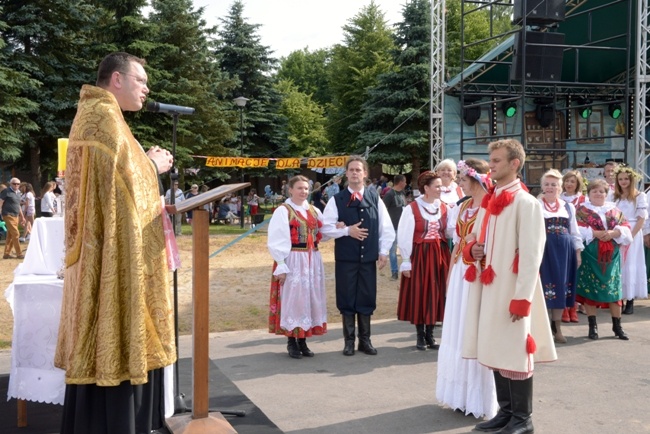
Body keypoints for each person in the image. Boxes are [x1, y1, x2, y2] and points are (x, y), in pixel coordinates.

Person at [54, 51, 175, 434]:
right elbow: (124, 187)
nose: (147, 88)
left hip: (97, 251)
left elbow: (115, 181)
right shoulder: (104, 118)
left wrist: (143, 164)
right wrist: (152, 166)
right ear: (117, 80)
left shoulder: (99, 114)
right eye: (140, 80)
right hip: (108, 257)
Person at [462, 139, 557, 434]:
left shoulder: (525, 202)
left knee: (515, 350)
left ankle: (522, 419)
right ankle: (506, 413)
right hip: (490, 286)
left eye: (497, 160)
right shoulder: (491, 200)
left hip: (513, 289)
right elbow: (475, 238)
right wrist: (473, 250)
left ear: (515, 164)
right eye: (491, 160)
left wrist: (522, 298)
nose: (491, 165)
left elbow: (532, 254)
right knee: (495, 347)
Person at [436, 158, 497, 419]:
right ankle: (459, 395)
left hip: (479, 273)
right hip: (462, 269)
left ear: (477, 178)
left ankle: (479, 397)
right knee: (457, 328)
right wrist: (450, 275)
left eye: (462, 177)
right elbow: (457, 244)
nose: (459, 180)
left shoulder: (491, 207)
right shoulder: (463, 207)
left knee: (473, 328)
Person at [321, 156, 395, 356]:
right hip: (346, 259)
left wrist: (383, 251)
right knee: (346, 298)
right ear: (346, 173)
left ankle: (365, 340)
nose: (355, 173)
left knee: (366, 297)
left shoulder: (374, 198)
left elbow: (385, 227)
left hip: (368, 258)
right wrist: (346, 231)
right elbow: (325, 230)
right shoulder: (337, 200)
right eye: (351, 170)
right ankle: (348, 341)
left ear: (365, 174)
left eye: (358, 170)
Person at [267, 175, 328, 358]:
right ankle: (291, 341)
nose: (304, 192)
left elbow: (324, 233)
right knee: (294, 299)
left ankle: (303, 341)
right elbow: (277, 239)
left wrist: (342, 229)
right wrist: (281, 265)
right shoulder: (283, 211)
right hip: (293, 258)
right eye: (300, 188)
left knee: (309, 298)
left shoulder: (314, 210)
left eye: (306, 189)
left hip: (312, 259)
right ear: (291, 190)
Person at [396, 171, 450, 350]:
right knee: (421, 292)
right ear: (426, 188)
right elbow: (404, 235)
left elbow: (450, 231)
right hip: (420, 254)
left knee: (436, 292)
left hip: (439, 255)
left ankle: (430, 334)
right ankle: (420, 335)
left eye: (441, 186)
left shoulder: (444, 207)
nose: (440, 189)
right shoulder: (412, 208)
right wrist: (405, 260)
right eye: (437, 186)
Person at [575, 178, 632, 341]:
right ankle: (593, 327)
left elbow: (626, 228)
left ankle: (617, 326)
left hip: (611, 255)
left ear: (607, 194)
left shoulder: (614, 210)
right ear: (589, 194)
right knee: (591, 290)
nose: (598, 194)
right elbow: (575, 229)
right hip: (590, 254)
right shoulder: (582, 210)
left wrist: (615, 233)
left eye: (601, 191)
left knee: (614, 291)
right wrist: (594, 233)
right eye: (595, 191)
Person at [538, 169, 583, 344]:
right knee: (543, 288)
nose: (550, 187)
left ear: (560, 187)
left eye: (554, 184)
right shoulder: (536, 204)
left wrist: (578, 253)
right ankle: (542, 329)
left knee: (560, 288)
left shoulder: (568, 206)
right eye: (547, 184)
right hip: (544, 251)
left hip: (565, 252)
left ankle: (556, 328)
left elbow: (575, 231)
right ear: (542, 186)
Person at [612, 165, 648, 315]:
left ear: (631, 180)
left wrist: (631, 236)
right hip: (618, 231)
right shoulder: (614, 196)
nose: (623, 182)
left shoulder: (639, 196)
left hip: (633, 231)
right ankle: (617, 298)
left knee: (631, 264)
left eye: (626, 179)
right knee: (618, 264)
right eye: (620, 179)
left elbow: (642, 218)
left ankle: (630, 300)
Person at [382, 174, 407, 280]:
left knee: (405, 248)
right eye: (405, 181)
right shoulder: (389, 194)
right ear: (400, 182)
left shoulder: (402, 193)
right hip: (393, 226)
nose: (406, 183)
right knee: (393, 250)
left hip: (403, 226)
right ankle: (394, 272)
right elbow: (383, 209)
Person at [0, 178, 26, 259]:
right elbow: (0, 202)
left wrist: (22, 217)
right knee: (16, 234)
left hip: (16, 216)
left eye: (18, 184)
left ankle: (6, 254)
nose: (16, 185)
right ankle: (19, 254)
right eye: (14, 183)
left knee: (10, 235)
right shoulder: (6, 191)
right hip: (7, 215)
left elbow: (18, 206)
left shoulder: (18, 193)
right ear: (10, 184)